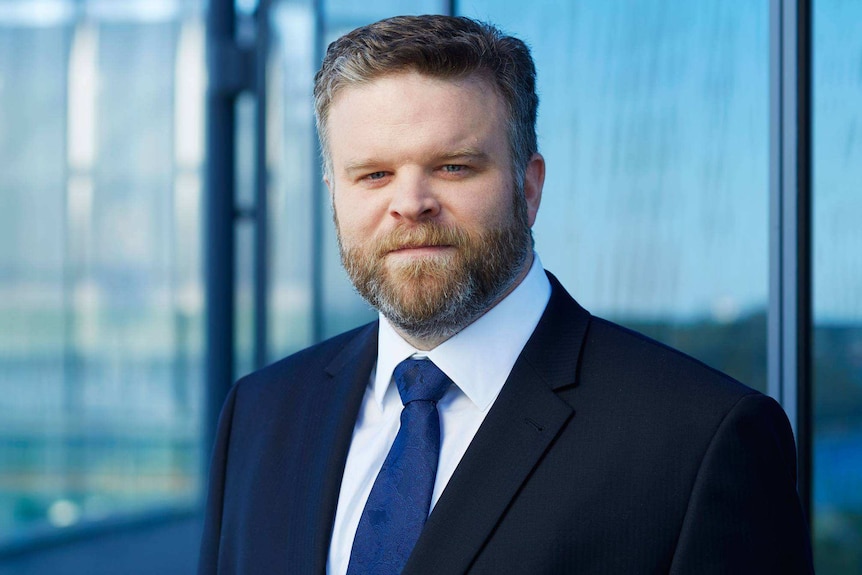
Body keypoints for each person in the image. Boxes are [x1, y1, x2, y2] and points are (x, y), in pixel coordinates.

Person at [198, 15, 814, 575]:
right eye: (374, 174)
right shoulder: (259, 414)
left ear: (529, 186)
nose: (410, 203)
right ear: (335, 193)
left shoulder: (700, 440)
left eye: (454, 167)